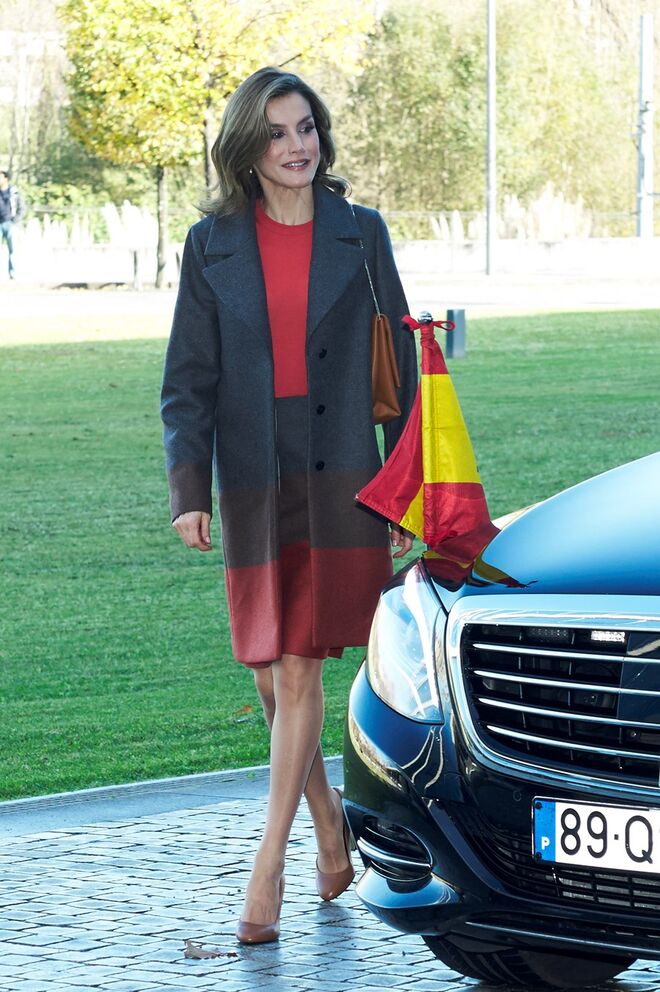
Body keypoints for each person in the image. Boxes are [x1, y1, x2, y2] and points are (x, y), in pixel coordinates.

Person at [160, 66, 417, 945]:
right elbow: (187, 378)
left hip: (341, 470)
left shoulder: (362, 233)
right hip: (252, 476)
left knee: (301, 665)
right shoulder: (210, 245)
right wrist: (188, 489)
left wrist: (405, 490)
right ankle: (330, 822)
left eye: (305, 127)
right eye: (276, 132)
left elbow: (401, 367)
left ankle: (266, 867)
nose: (296, 145)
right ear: (247, 148)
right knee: (269, 670)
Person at [0, 170, 24, 280]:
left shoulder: (14, 192)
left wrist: (16, 220)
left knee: (13, 250)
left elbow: (21, 207)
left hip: (10, 223)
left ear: (5, 178)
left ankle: (13, 273)